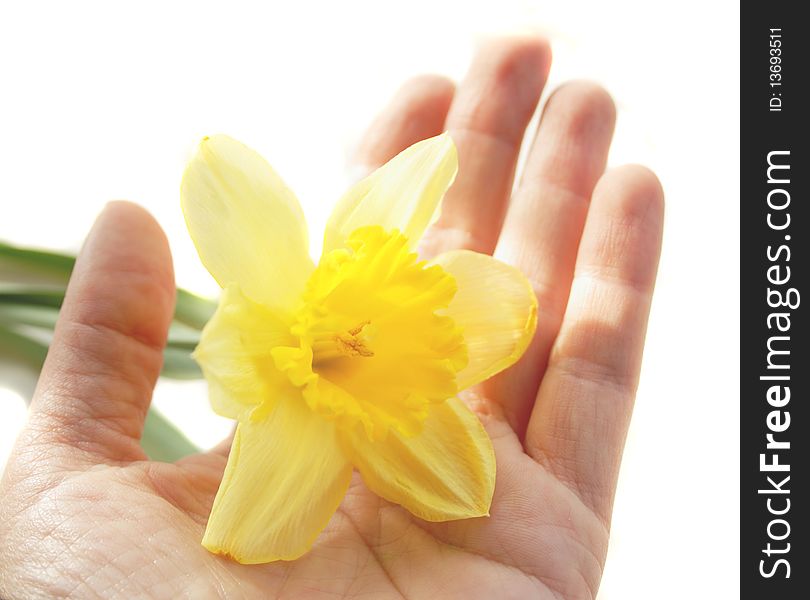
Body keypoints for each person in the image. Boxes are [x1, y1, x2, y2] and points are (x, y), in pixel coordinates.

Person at [0, 37, 663, 599]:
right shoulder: (257, 351)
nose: (349, 340)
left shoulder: (410, 431)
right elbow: (223, 222)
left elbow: (492, 350)